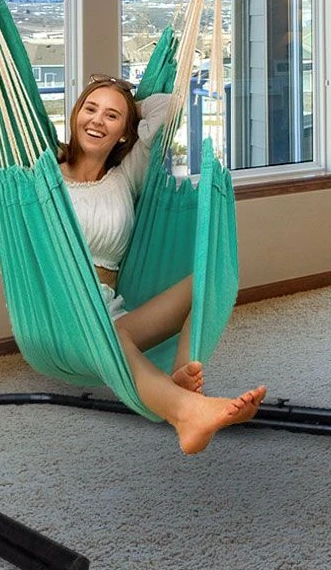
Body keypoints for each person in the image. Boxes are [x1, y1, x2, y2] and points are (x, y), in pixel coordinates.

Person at [56, 74, 266, 454]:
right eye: (90, 109)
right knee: (115, 338)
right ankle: (187, 412)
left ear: (125, 132)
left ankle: (183, 379)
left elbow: (168, 107)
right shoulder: (47, 178)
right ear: (75, 115)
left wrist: (126, 98)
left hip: (109, 308)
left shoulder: (126, 175)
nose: (97, 120)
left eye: (111, 116)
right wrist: (116, 101)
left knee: (207, 278)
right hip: (64, 313)